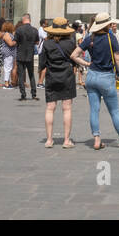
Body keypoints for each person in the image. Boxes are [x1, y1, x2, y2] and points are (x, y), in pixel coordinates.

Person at [78, 13, 119, 150]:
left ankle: (97, 140)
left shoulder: (90, 38)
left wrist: (87, 64)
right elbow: (117, 59)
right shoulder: (111, 38)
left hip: (91, 77)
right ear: (106, 25)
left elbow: (74, 55)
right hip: (106, 78)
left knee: (94, 110)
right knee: (114, 112)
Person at [39, 18, 79, 147]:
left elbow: (42, 63)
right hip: (67, 76)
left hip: (51, 76)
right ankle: (66, 140)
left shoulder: (47, 44)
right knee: (67, 108)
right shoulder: (71, 43)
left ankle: (49, 140)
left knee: (50, 108)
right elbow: (74, 61)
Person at [14, 14, 40, 100]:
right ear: (29, 20)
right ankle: (34, 94)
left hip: (20, 54)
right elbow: (37, 42)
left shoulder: (19, 29)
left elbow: (15, 41)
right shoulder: (35, 30)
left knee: (21, 75)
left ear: (23, 20)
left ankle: (23, 94)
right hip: (30, 54)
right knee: (31, 74)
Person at [0, 21, 17, 89]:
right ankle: (6, 83)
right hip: (8, 53)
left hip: (10, 53)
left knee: (9, 67)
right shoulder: (6, 34)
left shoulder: (9, 34)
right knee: (8, 68)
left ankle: (7, 82)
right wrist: (16, 41)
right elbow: (10, 43)